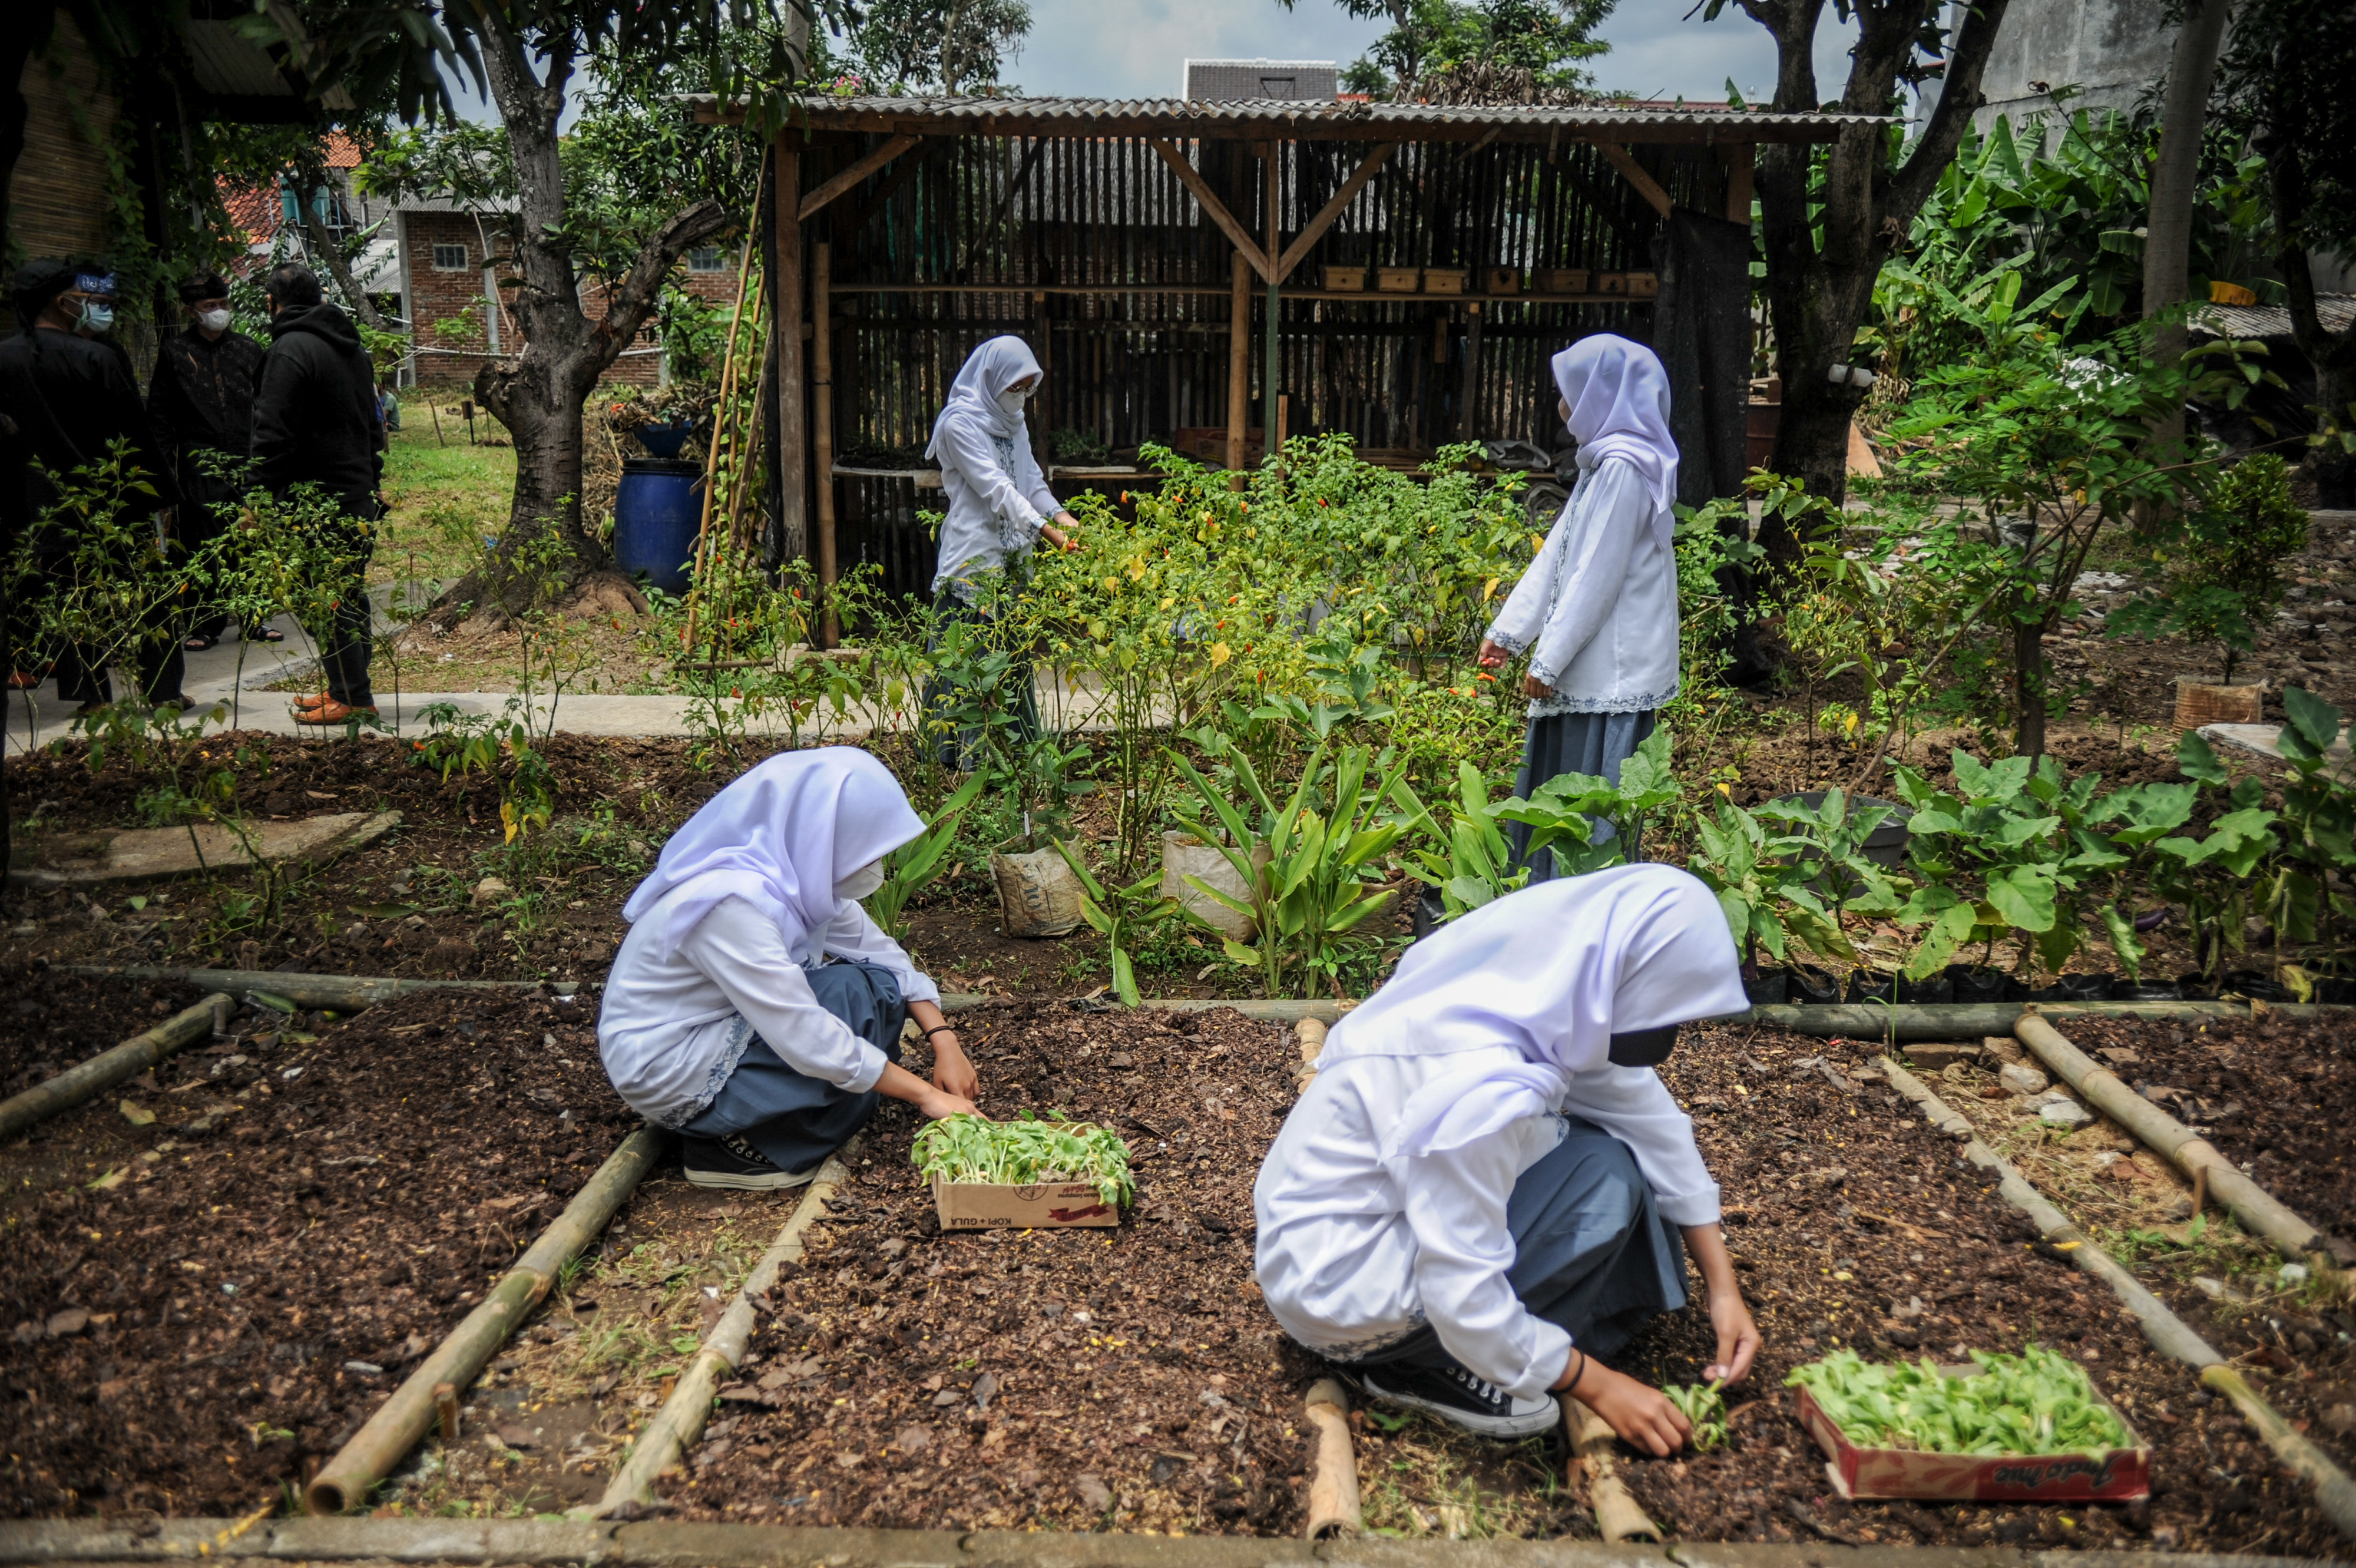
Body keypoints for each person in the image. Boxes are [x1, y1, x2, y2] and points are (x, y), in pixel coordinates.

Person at [1253, 864, 1761, 1447]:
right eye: (1665, 1009)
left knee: (1609, 1158)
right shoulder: (1476, 1079)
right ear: (1621, 981)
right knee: (1606, 1183)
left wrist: (1723, 1286)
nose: (1671, 1030)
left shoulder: (1534, 995)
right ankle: (1425, 1368)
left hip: (1338, 1239)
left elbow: (1648, 1118)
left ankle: (1498, 1344)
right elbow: (1462, 1292)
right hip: (1342, 1295)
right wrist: (1598, 1385)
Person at [597, 747, 980, 1190]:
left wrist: (944, 1041)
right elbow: (803, 1033)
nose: (874, 867)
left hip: (725, 1029)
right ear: (824, 837)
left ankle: (779, 1119)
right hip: (675, 1071)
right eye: (865, 851)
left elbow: (884, 957)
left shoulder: (797, 880)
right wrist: (926, 1095)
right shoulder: (731, 905)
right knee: (852, 999)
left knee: (873, 990)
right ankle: (732, 1149)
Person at [1477, 335, 1680, 880]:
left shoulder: (1625, 469)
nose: (1562, 406)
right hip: (1585, 665)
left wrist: (1549, 660)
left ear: (1604, 396)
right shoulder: (1603, 465)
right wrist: (1510, 632)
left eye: (1571, 393)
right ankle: (1549, 901)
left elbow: (1597, 575)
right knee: (1562, 798)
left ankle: (1582, 911)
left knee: (1594, 804)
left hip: (1608, 672)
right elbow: (1559, 557)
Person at [0, 258, 188, 712]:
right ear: (62, 302)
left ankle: (92, 697)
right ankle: (163, 691)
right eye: (86, 299)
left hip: (48, 507)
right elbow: (136, 436)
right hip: (118, 502)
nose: (95, 308)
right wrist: (163, 498)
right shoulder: (99, 358)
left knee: (74, 598)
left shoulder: (5, 360)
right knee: (148, 596)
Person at [919, 336, 1079, 767]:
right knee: (969, 660)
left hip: (1013, 560)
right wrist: (1046, 530)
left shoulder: (1015, 422)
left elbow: (1029, 479)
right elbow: (996, 487)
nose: (1023, 397)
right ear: (993, 380)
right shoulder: (959, 425)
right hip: (974, 559)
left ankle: (1010, 757)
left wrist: (1062, 516)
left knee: (1008, 659)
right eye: (1016, 388)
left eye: (1030, 389)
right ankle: (962, 761)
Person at [251, 262, 383, 724]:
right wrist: (374, 481)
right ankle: (346, 689)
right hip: (356, 494)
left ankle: (352, 697)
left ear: (273, 303)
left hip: (316, 503)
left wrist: (257, 497)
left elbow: (272, 436)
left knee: (329, 598)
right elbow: (374, 427)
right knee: (346, 594)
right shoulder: (352, 349)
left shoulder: (290, 351)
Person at [147, 270, 277, 651]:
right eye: (209, 306)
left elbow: (267, 407)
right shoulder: (174, 353)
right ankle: (206, 624)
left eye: (222, 304)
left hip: (246, 462)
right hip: (197, 464)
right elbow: (160, 417)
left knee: (249, 541)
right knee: (204, 546)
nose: (218, 311)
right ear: (191, 311)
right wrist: (164, 476)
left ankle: (255, 619)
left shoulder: (249, 349)